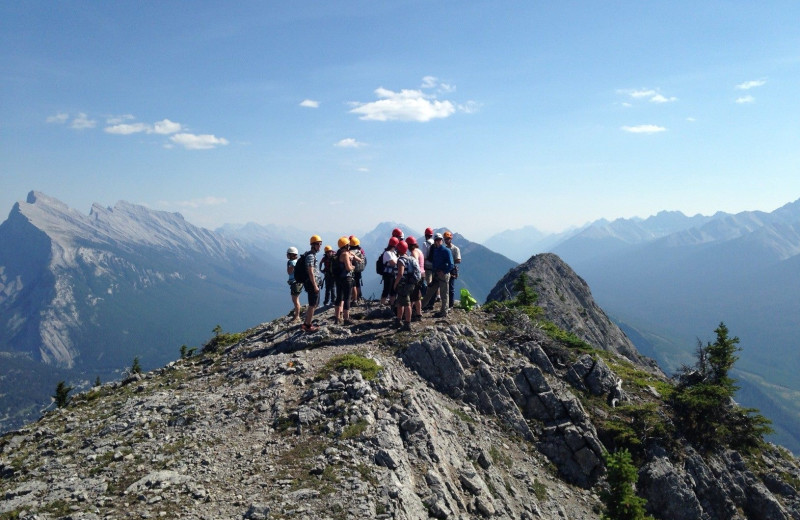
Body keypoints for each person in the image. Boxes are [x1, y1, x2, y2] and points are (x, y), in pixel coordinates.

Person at [420, 233, 454, 317]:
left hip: (443, 275)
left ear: (442, 241)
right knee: (430, 291)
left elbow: (451, 264)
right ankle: (418, 308)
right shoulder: (436, 250)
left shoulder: (446, 251)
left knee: (444, 293)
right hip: (436, 274)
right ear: (434, 241)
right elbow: (434, 262)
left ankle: (444, 312)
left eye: (439, 240)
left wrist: (444, 271)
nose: (438, 241)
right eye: (437, 240)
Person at [393, 240, 419, 331]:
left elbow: (400, 274)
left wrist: (395, 284)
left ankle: (407, 324)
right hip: (410, 284)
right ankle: (398, 320)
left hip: (403, 285)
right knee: (400, 302)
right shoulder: (409, 258)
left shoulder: (401, 260)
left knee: (406, 304)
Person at [301, 235, 323, 332]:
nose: (319, 246)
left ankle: (307, 323)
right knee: (312, 304)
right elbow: (310, 271)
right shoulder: (310, 256)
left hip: (313, 283)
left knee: (314, 304)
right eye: (318, 244)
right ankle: (308, 326)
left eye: (320, 244)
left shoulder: (312, 255)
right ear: (313, 245)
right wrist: (314, 285)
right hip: (311, 284)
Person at [334, 236, 356, 325]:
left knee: (339, 297)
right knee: (347, 297)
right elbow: (348, 267)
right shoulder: (345, 254)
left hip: (339, 278)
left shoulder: (338, 254)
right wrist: (353, 267)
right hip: (346, 278)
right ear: (346, 245)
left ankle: (337, 318)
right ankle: (346, 319)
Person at [406, 236, 426, 321]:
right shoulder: (419, 251)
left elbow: (415, 263)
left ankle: (410, 315)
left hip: (416, 276)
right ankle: (418, 313)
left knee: (412, 296)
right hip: (422, 274)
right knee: (417, 295)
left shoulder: (414, 252)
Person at [443, 231, 461, 309]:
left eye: (447, 239)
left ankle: (450, 304)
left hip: (452, 269)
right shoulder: (444, 248)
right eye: (445, 239)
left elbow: (459, 260)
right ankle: (447, 303)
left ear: (450, 239)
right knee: (445, 287)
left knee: (450, 287)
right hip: (446, 268)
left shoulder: (455, 249)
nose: (446, 240)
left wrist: (450, 261)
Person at [380, 237, 399, 307]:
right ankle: (382, 304)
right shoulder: (387, 253)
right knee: (387, 289)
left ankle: (392, 304)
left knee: (393, 290)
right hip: (388, 274)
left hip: (393, 273)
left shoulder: (393, 253)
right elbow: (393, 263)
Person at [286, 246, 302, 323]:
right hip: (298, 282)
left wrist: (288, 266)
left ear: (292, 255)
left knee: (295, 300)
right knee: (296, 299)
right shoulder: (297, 261)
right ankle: (297, 315)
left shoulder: (292, 262)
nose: (287, 255)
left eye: (288, 254)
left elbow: (289, 272)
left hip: (295, 283)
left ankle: (297, 317)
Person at [349, 236, 366, 305]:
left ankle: (353, 298)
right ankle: (359, 297)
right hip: (359, 270)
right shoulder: (360, 251)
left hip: (352, 270)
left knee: (353, 285)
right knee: (358, 284)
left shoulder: (350, 252)